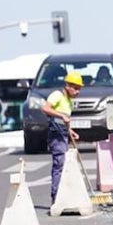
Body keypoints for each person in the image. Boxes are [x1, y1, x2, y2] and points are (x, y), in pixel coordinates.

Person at [41, 73, 82, 210]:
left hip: (63, 134)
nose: (77, 92)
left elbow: (64, 121)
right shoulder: (57, 95)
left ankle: (62, 195)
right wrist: (61, 115)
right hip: (55, 135)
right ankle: (56, 196)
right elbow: (45, 108)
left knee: (64, 165)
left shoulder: (69, 102)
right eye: (75, 88)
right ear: (67, 86)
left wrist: (71, 132)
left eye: (79, 89)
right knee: (59, 163)